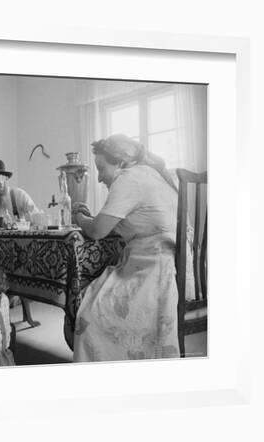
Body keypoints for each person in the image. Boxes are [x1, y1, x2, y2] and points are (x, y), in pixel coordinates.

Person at [67, 134, 181, 362]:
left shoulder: (130, 179)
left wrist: (79, 217)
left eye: (101, 168)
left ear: (120, 162)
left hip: (155, 269)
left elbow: (98, 231)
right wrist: (94, 218)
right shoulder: (150, 174)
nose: (99, 178)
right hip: (177, 264)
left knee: (90, 313)